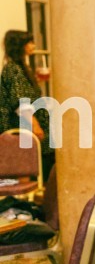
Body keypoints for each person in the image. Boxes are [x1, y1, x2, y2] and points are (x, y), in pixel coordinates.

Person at [0, 30, 54, 177]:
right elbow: (20, 102)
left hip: (28, 126)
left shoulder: (21, 68)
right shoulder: (13, 69)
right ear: (20, 46)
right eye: (29, 42)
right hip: (24, 127)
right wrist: (35, 125)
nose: (33, 45)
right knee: (41, 162)